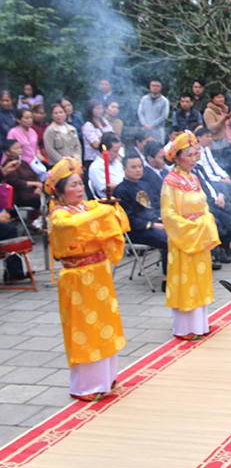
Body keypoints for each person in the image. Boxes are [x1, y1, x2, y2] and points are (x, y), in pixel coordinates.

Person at [45, 157, 129, 401]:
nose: (79, 188)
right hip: (78, 278)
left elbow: (111, 217)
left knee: (105, 326)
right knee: (84, 329)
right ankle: (86, 385)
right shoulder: (59, 216)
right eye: (72, 185)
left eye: (80, 183)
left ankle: (106, 378)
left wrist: (105, 208)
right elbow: (75, 224)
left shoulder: (87, 206)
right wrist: (104, 209)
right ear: (60, 192)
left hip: (99, 273)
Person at [161, 131, 221, 340]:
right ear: (176, 157)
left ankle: (200, 324)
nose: (194, 159)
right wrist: (192, 227)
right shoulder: (170, 182)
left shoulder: (194, 178)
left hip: (198, 232)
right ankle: (185, 327)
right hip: (184, 237)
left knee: (200, 279)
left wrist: (204, 220)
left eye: (195, 154)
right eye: (189, 154)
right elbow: (168, 215)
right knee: (185, 281)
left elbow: (203, 205)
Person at [191, 146, 231, 266]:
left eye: (197, 152)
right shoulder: (189, 174)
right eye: (192, 153)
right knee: (228, 221)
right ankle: (219, 250)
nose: (197, 155)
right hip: (207, 205)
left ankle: (230, 245)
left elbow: (210, 184)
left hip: (216, 199)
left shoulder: (199, 167)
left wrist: (221, 195)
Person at [114, 153, 169, 277]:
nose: (138, 170)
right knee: (170, 239)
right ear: (124, 169)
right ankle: (167, 278)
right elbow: (129, 219)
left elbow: (154, 205)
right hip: (137, 230)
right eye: (133, 167)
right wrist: (154, 225)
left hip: (154, 223)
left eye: (140, 166)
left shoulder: (144, 185)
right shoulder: (121, 190)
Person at [193, 126, 231, 206]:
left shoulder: (206, 149)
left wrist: (225, 176)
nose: (210, 139)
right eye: (207, 136)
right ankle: (228, 205)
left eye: (210, 136)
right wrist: (220, 180)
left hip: (215, 176)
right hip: (209, 179)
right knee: (223, 187)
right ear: (198, 138)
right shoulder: (196, 152)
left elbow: (214, 164)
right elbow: (204, 173)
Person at [2, 140, 43, 224]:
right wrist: (35, 184)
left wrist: (38, 187)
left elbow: (35, 176)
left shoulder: (24, 163)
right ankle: (34, 222)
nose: (19, 150)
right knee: (38, 199)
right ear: (7, 152)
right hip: (21, 195)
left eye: (20, 148)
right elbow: (16, 182)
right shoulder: (7, 166)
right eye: (16, 148)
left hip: (33, 191)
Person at [203, 90, 231, 180]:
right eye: (218, 97)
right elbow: (212, 127)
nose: (221, 99)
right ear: (212, 99)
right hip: (220, 145)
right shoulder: (209, 111)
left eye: (222, 97)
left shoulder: (225, 110)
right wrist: (224, 119)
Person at [7, 108, 46, 174]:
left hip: (34, 162)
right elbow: (9, 149)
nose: (30, 120)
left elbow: (36, 147)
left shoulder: (32, 131)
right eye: (26, 118)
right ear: (18, 120)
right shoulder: (13, 132)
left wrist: (39, 154)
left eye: (31, 117)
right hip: (20, 164)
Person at [88, 133, 124, 198]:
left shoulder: (117, 163)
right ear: (105, 150)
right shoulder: (96, 167)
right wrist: (125, 185)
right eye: (115, 152)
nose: (117, 155)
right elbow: (104, 188)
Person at [81, 99, 113, 167]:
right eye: (97, 108)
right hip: (93, 160)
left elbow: (113, 137)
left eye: (101, 108)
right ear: (91, 110)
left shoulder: (105, 122)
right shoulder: (88, 125)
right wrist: (108, 142)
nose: (100, 110)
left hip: (106, 158)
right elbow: (95, 144)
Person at [137, 79, 170, 144]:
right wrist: (144, 123)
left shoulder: (164, 101)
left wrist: (152, 125)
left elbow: (164, 116)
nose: (155, 87)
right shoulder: (144, 99)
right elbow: (140, 113)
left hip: (157, 131)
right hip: (145, 130)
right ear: (149, 86)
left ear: (161, 87)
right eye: (153, 85)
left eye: (157, 86)